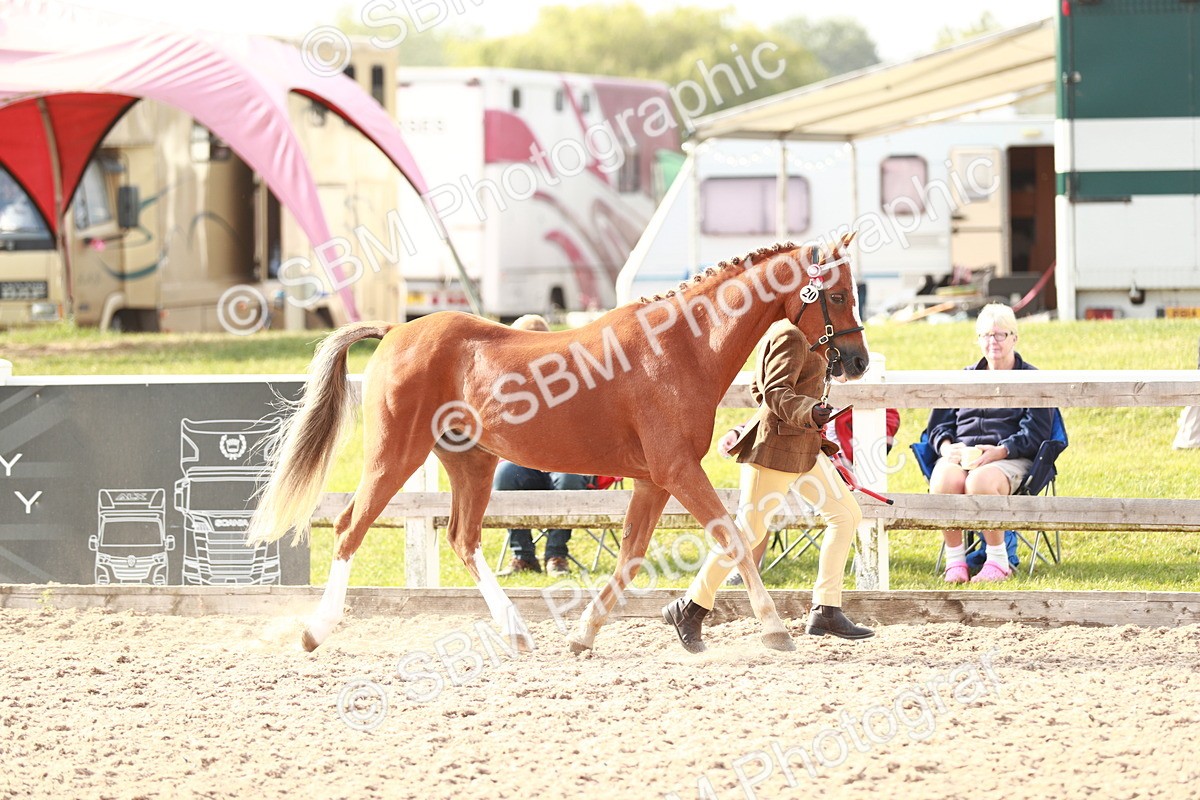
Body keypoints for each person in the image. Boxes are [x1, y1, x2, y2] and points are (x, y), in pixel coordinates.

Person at [661, 319, 873, 653]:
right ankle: (689, 608)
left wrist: (810, 404)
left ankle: (826, 609)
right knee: (747, 533)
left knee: (846, 514)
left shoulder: (810, 334)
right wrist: (809, 410)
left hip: (803, 446)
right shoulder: (790, 334)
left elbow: (760, 390)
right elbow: (773, 391)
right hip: (774, 447)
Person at [927, 303, 1053, 583]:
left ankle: (998, 561)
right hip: (964, 455)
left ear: (1014, 338)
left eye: (1000, 335)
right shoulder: (964, 378)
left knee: (979, 483)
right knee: (943, 480)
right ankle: (956, 561)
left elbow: (1037, 432)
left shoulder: (1032, 379)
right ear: (977, 340)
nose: (992, 341)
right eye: (985, 335)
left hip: (1010, 457)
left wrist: (1001, 450)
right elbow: (937, 427)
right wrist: (948, 448)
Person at [493, 314, 619, 577]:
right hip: (527, 461)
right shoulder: (511, 385)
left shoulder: (576, 377)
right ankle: (523, 556)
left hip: (570, 461)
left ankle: (556, 556)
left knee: (568, 476)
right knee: (505, 475)